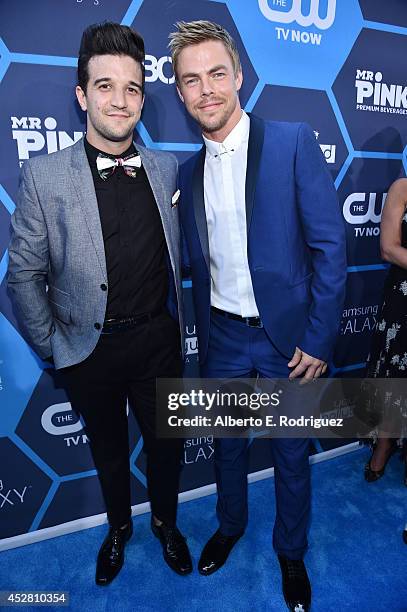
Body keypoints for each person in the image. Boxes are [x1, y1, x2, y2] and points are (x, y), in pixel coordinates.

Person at [169, 20, 347, 612]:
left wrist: (319, 339)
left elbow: (329, 246)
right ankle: (230, 525)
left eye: (217, 73)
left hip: (287, 342)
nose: (206, 90)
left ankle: (290, 552)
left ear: (240, 76)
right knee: (227, 445)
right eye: (191, 80)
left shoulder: (293, 140)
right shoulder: (187, 172)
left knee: (292, 454)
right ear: (179, 92)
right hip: (222, 335)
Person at [8, 22, 192, 585]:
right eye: (105, 86)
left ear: (143, 95)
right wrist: (57, 347)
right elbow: (23, 274)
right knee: (110, 455)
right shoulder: (44, 175)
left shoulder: (165, 169)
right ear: (82, 95)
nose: (120, 99)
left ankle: (165, 521)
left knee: (166, 449)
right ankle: (119, 528)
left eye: (132, 87)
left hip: (158, 342)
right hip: (89, 350)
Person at [362, 178, 407, 485]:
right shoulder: (402, 187)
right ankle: (385, 443)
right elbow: (388, 249)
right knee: (394, 380)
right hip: (403, 301)